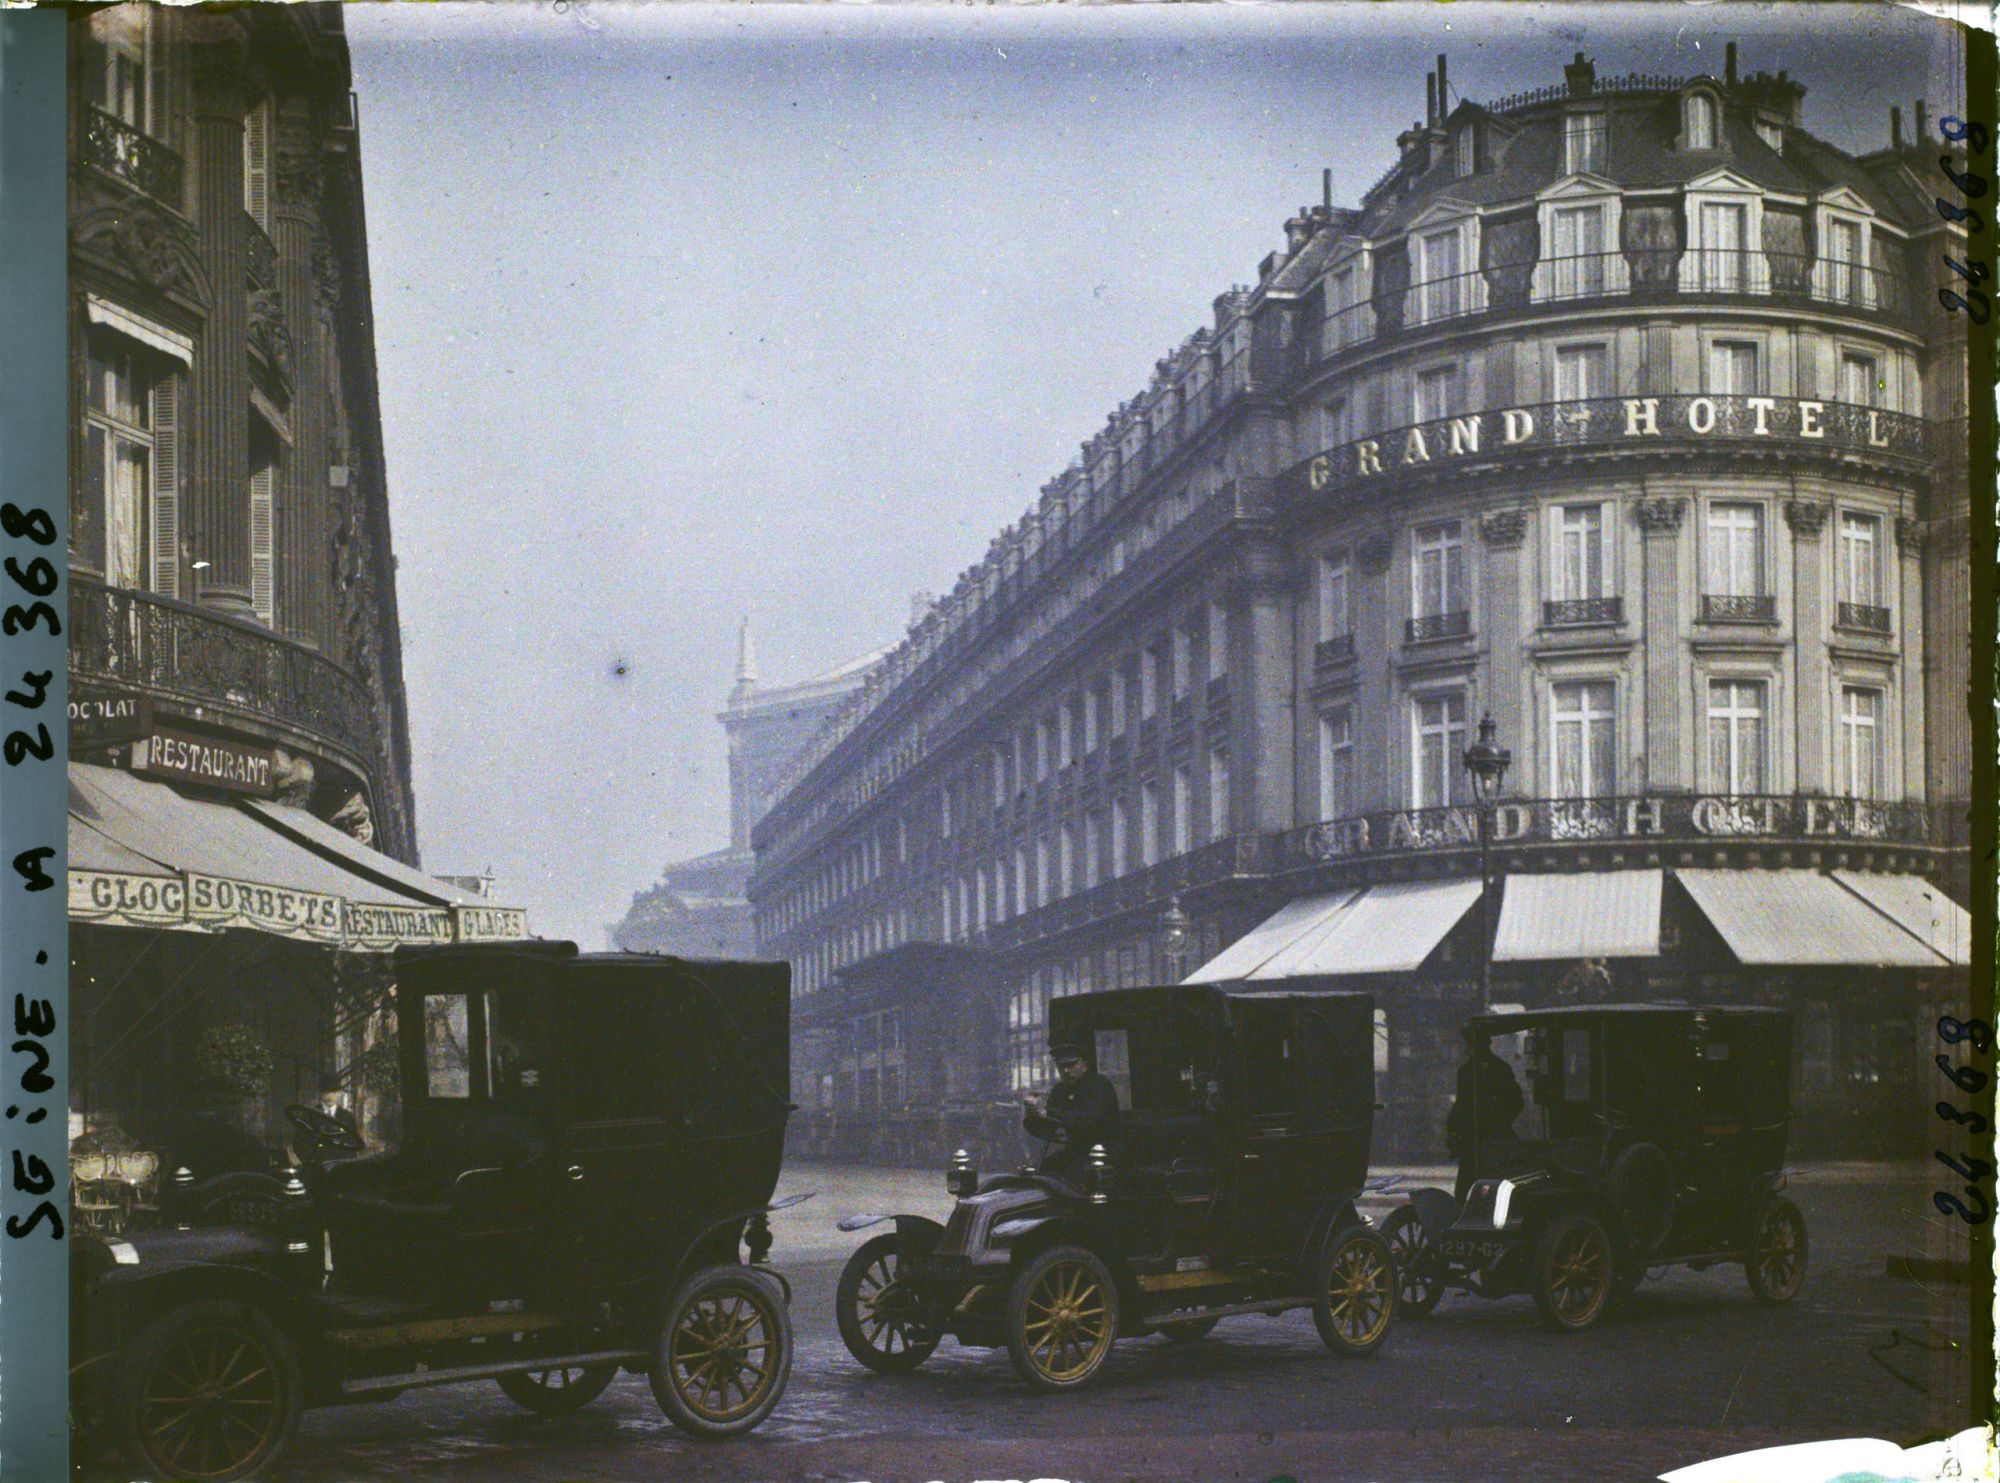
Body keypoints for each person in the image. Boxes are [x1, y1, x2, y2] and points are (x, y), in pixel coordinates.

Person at [1445, 1025, 1525, 1204]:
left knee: (1468, 1188)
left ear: (1471, 1045)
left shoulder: (1468, 1071)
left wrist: (1454, 1130)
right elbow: (1516, 1102)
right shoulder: (1500, 1068)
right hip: (1492, 1138)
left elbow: (1461, 1106)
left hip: (1476, 1140)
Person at [1022, 1041, 1119, 1183]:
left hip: (1103, 1150)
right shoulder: (1060, 1090)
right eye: (1062, 1066)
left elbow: (1087, 1121)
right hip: (1076, 1150)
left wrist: (1047, 1112)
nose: (1066, 1070)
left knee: (1073, 1174)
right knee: (1041, 1171)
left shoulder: (1100, 1086)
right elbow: (1047, 1125)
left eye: (1072, 1065)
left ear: (1084, 1065)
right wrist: (1034, 1112)